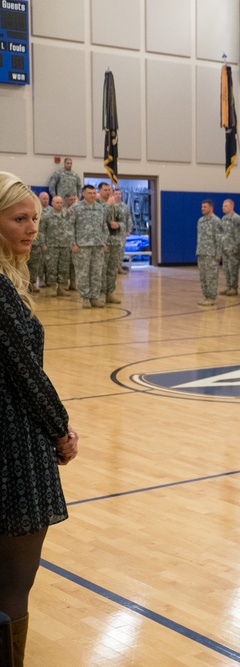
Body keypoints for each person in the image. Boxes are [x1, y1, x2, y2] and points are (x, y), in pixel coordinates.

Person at [0, 172, 79, 667]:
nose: (31, 229)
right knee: (13, 586)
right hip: (14, 451)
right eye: (18, 219)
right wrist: (62, 430)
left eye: (35, 219)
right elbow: (26, 373)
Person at [69, 185, 109, 309]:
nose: (92, 195)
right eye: (89, 193)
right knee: (83, 273)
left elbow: (104, 227)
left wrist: (104, 241)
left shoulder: (100, 208)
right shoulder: (76, 208)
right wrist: (73, 243)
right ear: (83, 194)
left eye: (93, 193)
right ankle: (85, 298)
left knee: (97, 272)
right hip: (82, 246)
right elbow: (70, 227)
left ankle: (95, 297)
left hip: (97, 245)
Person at [102, 188, 132, 304]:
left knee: (112, 269)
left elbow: (125, 221)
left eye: (119, 194)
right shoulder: (99, 205)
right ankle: (100, 294)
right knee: (102, 269)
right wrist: (108, 206)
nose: (116, 195)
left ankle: (110, 293)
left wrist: (119, 225)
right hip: (103, 241)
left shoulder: (121, 207)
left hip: (115, 240)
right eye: (106, 190)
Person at [40, 196, 72, 297]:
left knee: (64, 268)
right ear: (52, 203)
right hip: (51, 246)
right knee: (51, 268)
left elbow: (71, 229)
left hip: (64, 245)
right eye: (57, 202)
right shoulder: (47, 216)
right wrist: (43, 244)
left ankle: (62, 288)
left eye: (61, 202)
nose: (59, 204)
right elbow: (42, 231)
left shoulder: (67, 215)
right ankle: (52, 288)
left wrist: (71, 242)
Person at [195, 199, 222, 306]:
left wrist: (218, 253)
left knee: (211, 276)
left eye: (205, 207)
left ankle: (211, 297)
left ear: (211, 207)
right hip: (201, 252)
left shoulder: (216, 220)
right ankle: (205, 296)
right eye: (202, 207)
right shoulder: (200, 220)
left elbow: (219, 238)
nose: (202, 209)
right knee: (203, 276)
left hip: (211, 253)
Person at [219, 199, 240, 296]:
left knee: (233, 268)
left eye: (226, 206)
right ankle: (228, 287)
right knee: (226, 268)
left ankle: (234, 288)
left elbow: (239, 234)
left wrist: (237, 246)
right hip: (225, 247)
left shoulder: (236, 218)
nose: (223, 207)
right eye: (223, 205)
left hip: (232, 248)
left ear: (231, 207)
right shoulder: (224, 218)